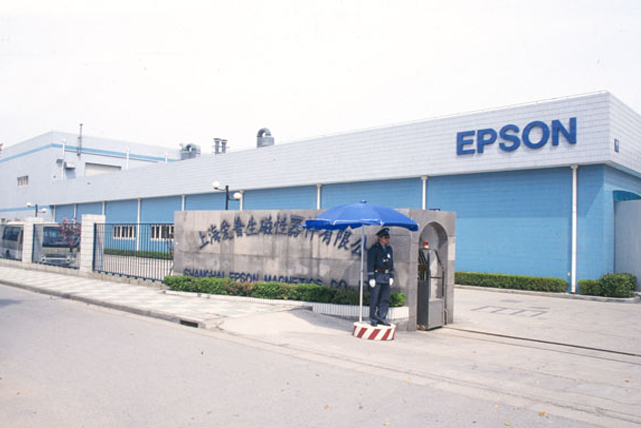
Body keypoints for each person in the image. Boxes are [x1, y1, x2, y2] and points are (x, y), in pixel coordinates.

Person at [367, 227, 394, 326]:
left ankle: (382, 317)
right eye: (385, 237)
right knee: (374, 299)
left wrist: (391, 276)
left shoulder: (389, 249)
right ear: (380, 238)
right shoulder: (374, 249)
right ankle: (373, 319)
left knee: (384, 299)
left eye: (388, 237)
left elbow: (391, 264)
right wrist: (371, 278)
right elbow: (370, 264)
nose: (387, 239)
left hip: (386, 276)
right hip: (377, 276)